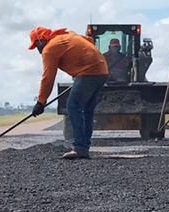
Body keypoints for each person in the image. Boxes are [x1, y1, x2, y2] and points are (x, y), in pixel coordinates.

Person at [29, 26, 110, 160]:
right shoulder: (66, 36)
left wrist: (41, 102)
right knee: (87, 110)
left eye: (36, 46)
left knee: (73, 105)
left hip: (89, 72)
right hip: (101, 71)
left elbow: (48, 78)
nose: (38, 50)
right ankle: (83, 147)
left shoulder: (50, 49)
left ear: (40, 41)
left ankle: (79, 147)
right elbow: (89, 41)